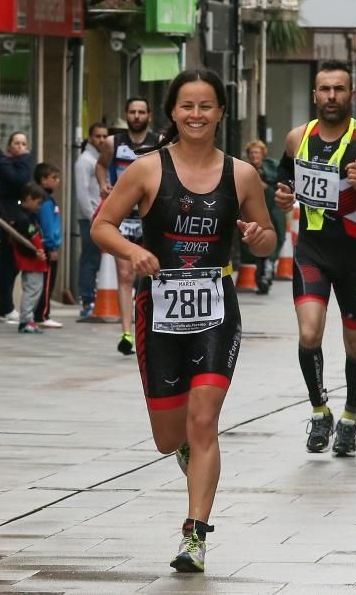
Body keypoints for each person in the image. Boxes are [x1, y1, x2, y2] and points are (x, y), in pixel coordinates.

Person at [92, 68, 276, 573]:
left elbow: (266, 236)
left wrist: (261, 240)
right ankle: (186, 456)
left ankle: (194, 536)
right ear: (172, 111)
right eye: (187, 106)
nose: (196, 115)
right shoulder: (147, 170)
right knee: (168, 436)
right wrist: (134, 251)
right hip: (159, 309)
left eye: (206, 106)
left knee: (204, 420)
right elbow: (101, 226)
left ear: (220, 113)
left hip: (216, 307)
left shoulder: (241, 174)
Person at [273, 60, 356, 457]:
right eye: (324, 89)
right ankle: (318, 409)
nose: (331, 96)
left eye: (339, 89)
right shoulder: (298, 137)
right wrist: (282, 197)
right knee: (309, 334)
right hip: (312, 251)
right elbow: (284, 182)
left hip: (355, 257)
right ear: (315, 94)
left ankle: (348, 416)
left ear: (350, 94)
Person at [95, 98, 161, 355]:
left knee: (151, 274)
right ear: (126, 115)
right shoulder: (113, 143)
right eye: (132, 112)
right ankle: (127, 333)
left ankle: (151, 328)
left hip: (150, 216)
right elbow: (101, 165)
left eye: (141, 112)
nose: (136, 116)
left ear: (149, 115)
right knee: (125, 275)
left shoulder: (160, 141)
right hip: (123, 217)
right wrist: (103, 184)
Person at [0, 132, 33, 323]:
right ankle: (6, 307)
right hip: (7, 215)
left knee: (15, 263)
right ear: (9, 146)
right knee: (7, 264)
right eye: (16, 143)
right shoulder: (5, 163)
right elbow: (19, 180)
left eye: (23, 143)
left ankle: (9, 306)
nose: (20, 147)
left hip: (19, 215)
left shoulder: (18, 162)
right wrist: (22, 159)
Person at [75, 123, 108, 316]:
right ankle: (87, 301)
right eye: (98, 136)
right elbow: (81, 194)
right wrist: (92, 217)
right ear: (90, 137)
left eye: (105, 136)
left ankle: (92, 298)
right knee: (89, 259)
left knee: (96, 260)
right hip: (90, 218)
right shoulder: (85, 161)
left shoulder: (99, 159)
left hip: (100, 217)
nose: (102, 140)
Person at [244, 140, 284, 295]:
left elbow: (279, 183)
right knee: (257, 241)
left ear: (263, 154)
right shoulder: (245, 169)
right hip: (255, 212)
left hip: (274, 210)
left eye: (257, 152)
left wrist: (266, 185)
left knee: (277, 237)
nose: (254, 155)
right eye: (252, 153)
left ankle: (268, 268)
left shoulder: (272, 167)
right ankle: (262, 276)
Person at [11, 183, 50, 334]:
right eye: (38, 202)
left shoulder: (30, 217)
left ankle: (29, 319)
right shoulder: (22, 219)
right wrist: (35, 253)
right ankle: (25, 320)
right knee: (31, 291)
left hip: (37, 261)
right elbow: (22, 244)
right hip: (31, 261)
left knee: (35, 291)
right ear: (28, 199)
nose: (39, 206)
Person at [34, 162, 64, 328]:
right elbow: (47, 226)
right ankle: (42, 314)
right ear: (43, 180)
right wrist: (52, 246)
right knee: (47, 283)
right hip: (48, 246)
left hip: (49, 245)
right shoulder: (45, 201)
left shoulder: (49, 200)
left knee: (47, 282)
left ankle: (41, 313)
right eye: (54, 177)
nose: (57, 181)